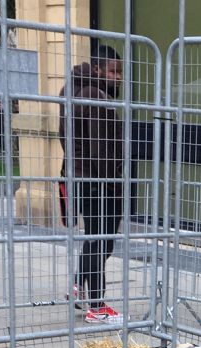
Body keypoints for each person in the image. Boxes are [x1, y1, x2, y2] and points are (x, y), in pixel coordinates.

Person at [59, 44, 125, 325]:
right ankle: (97, 306)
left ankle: (79, 286)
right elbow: (102, 149)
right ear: (97, 69)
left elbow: (66, 139)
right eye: (112, 71)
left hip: (81, 177)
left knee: (96, 238)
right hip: (97, 181)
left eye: (120, 72)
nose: (118, 77)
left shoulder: (74, 92)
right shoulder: (94, 97)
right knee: (101, 241)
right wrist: (113, 179)